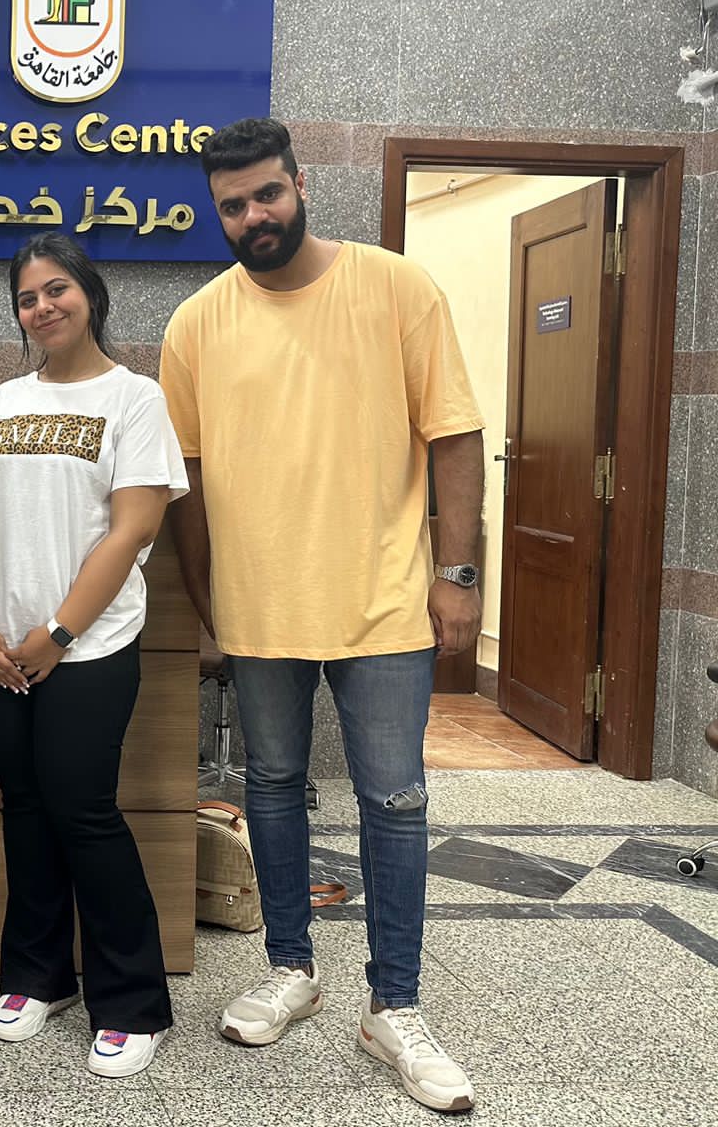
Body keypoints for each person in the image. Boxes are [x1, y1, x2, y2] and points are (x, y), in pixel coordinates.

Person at [160, 117, 484, 1114]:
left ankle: (396, 1005)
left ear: (300, 184)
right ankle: (290, 968)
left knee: (395, 799)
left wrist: (459, 573)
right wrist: (206, 606)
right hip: (260, 610)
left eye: (267, 193)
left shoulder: (396, 288)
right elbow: (185, 485)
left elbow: (455, 435)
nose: (253, 215)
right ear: (215, 214)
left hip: (384, 600)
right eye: (232, 205)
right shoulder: (195, 325)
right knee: (271, 786)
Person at [0, 233, 184, 1079]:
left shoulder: (135, 398)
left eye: (57, 290)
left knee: (84, 812)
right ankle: (39, 976)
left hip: (87, 647)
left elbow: (134, 527)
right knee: (24, 807)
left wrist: (58, 633)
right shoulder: (3, 400)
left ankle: (133, 1003)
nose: (42, 307)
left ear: (91, 295)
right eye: (27, 298)